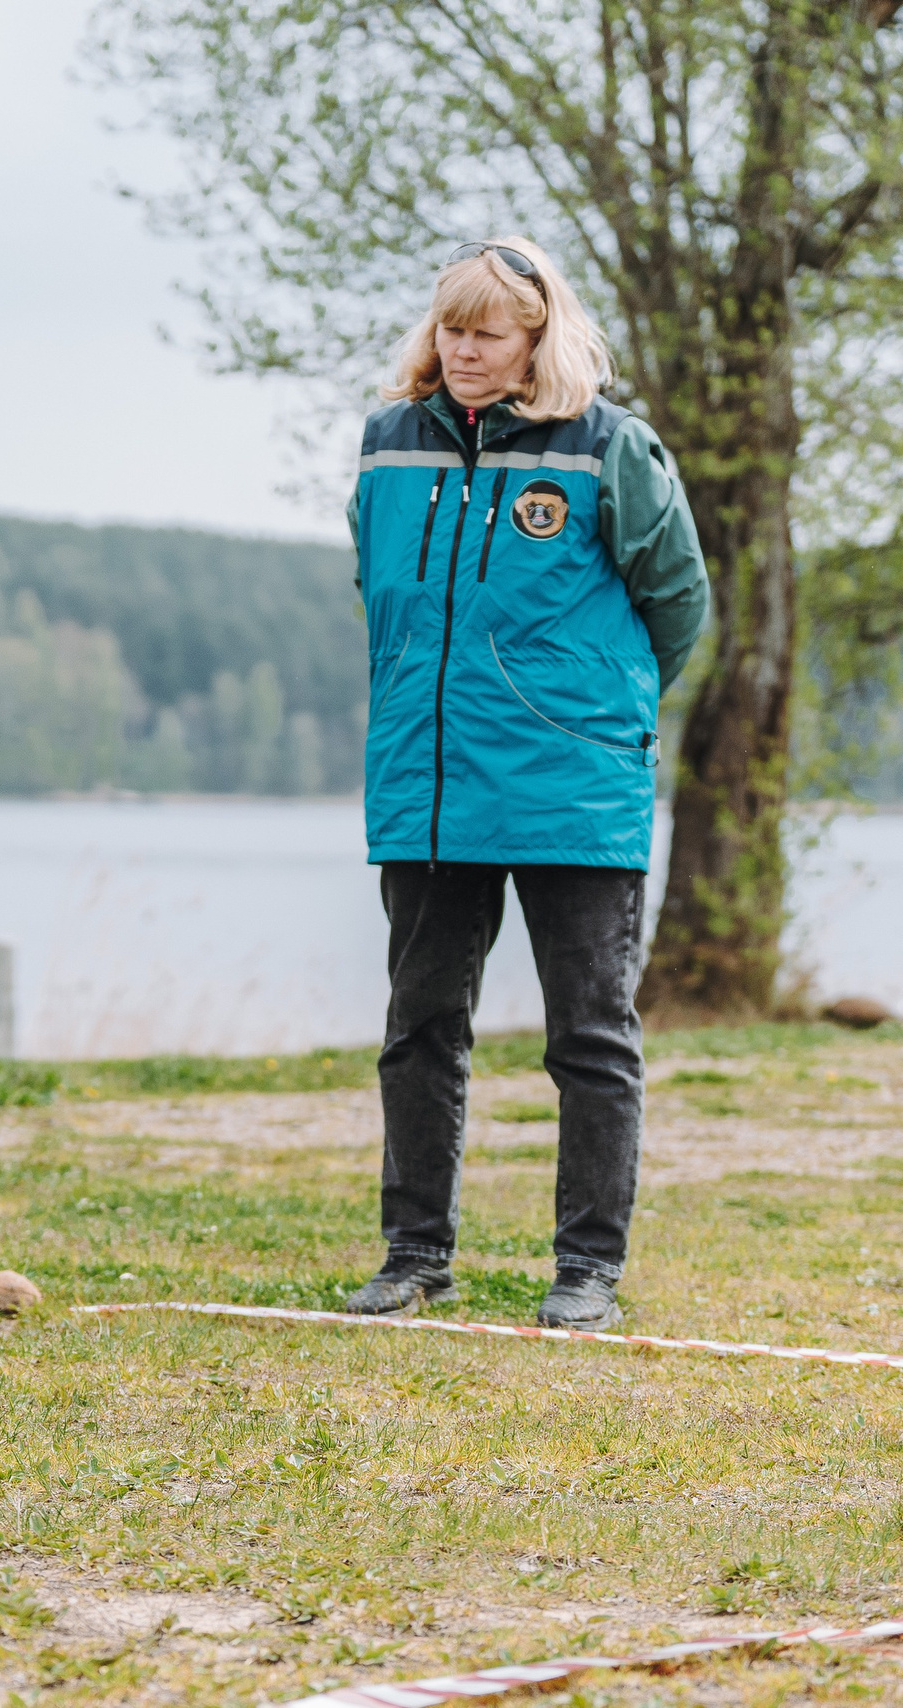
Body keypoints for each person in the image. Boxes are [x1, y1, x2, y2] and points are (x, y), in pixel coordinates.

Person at [342, 236, 708, 1332]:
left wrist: (604, 714)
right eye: (449, 327)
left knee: (588, 1036)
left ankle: (586, 1269)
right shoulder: (385, 445)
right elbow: (379, 588)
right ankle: (413, 1257)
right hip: (429, 781)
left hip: (571, 785)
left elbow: (677, 602)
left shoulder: (608, 447)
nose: (461, 349)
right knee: (418, 1026)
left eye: (486, 331)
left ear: (538, 336)